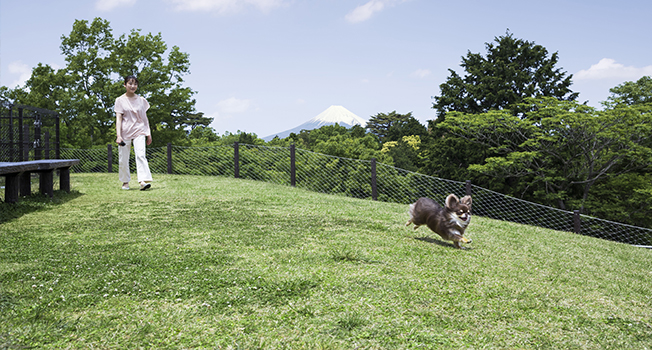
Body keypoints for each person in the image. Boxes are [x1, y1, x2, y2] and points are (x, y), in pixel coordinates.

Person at [115, 75, 153, 191]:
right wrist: (118, 135)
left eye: (135, 84)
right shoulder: (120, 100)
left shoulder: (141, 100)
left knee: (140, 155)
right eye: (130, 83)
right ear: (125, 85)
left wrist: (148, 133)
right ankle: (125, 182)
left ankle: (142, 181)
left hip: (139, 130)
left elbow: (144, 118)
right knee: (123, 158)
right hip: (125, 132)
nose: (133, 86)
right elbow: (119, 119)